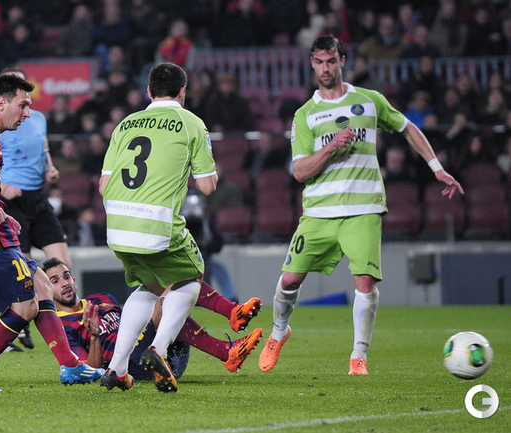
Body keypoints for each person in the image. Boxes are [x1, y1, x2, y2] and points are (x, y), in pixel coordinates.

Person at [258, 35, 464, 376]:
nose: (325, 68)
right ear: (312, 64)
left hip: (364, 206)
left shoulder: (369, 101)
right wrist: (330, 148)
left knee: (365, 282)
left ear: (342, 61)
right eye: (319, 62)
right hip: (319, 212)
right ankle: (279, 331)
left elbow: (408, 128)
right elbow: (300, 171)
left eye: (331, 61)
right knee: (289, 280)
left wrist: (437, 168)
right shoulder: (305, 114)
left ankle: (358, 357)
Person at [0, 73, 104, 392]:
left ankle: (70, 365)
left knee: (43, 286)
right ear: (2, 103)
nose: (28, 113)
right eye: (23, 105)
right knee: (25, 306)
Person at [98, 62, 218, 393]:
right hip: (155, 224)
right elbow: (207, 186)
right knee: (192, 277)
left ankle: (117, 368)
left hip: (117, 224)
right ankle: (159, 348)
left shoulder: (125, 124)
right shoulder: (191, 123)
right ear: (183, 91)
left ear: (148, 92)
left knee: (150, 287)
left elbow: (103, 185)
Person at [43, 258, 262, 380]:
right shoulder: (60, 327)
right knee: (173, 290)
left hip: (168, 351)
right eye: (54, 281)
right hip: (136, 367)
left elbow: (131, 324)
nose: (64, 283)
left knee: (179, 286)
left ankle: (228, 341)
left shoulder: (102, 298)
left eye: (66, 277)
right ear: (46, 288)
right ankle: (228, 338)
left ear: (74, 280)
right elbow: (89, 371)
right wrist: (93, 337)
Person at [0, 66, 73, 351]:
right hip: (12, 202)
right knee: (27, 274)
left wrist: (50, 170)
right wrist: (1, 185)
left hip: (38, 199)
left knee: (63, 267)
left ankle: (69, 329)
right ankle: (16, 328)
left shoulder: (38, 118)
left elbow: (44, 150)